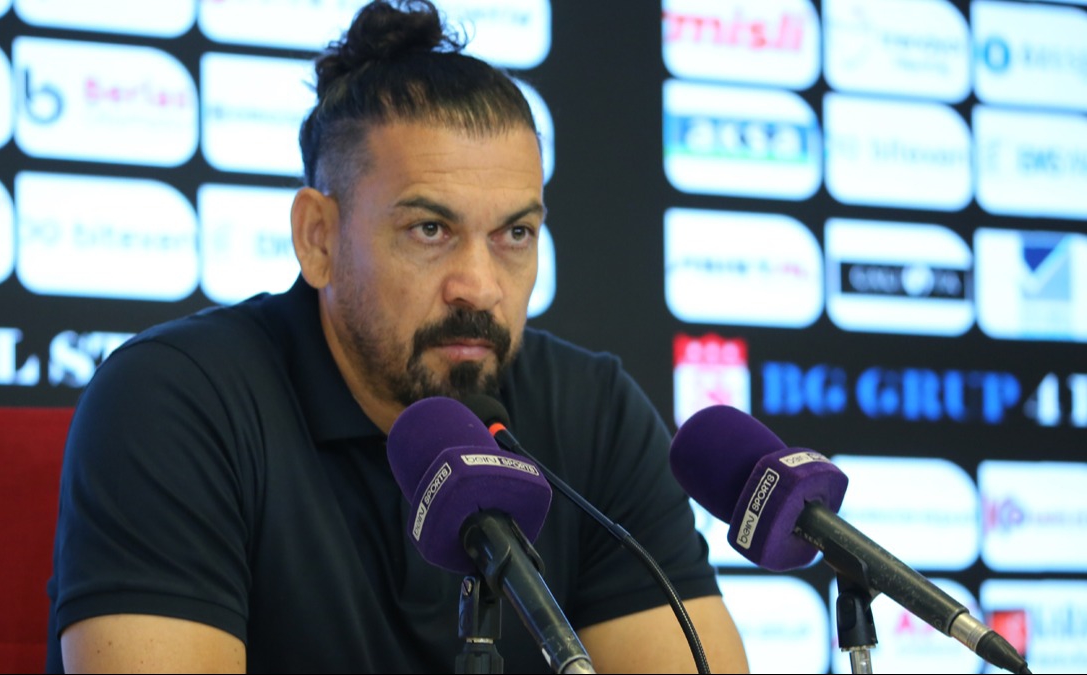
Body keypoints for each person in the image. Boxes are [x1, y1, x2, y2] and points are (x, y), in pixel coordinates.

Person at [45, 1, 749, 672]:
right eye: (430, 230)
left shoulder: (592, 414)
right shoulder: (174, 401)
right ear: (318, 238)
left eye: (515, 234)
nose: (479, 286)